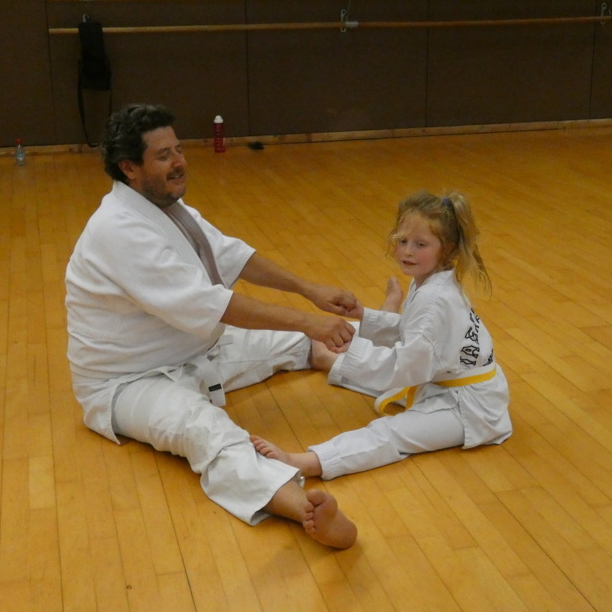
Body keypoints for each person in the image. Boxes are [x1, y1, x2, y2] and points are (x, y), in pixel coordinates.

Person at [65, 104, 357, 548]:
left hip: (195, 349)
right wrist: (310, 320)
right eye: (163, 155)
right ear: (129, 168)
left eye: (178, 150)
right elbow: (211, 304)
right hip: (129, 382)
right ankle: (305, 509)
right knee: (207, 430)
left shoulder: (167, 207)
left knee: (304, 342)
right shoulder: (118, 230)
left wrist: (308, 290)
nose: (179, 162)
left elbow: (231, 255)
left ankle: (395, 372)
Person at [252, 191, 512, 480]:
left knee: (391, 432)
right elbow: (410, 335)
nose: (407, 251)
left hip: (468, 409)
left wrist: (353, 348)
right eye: (402, 241)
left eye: (420, 244)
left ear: (447, 249)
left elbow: (401, 369)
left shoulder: (435, 300)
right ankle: (330, 362)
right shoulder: (430, 282)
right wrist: (364, 315)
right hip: (437, 380)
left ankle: (307, 462)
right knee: (381, 383)